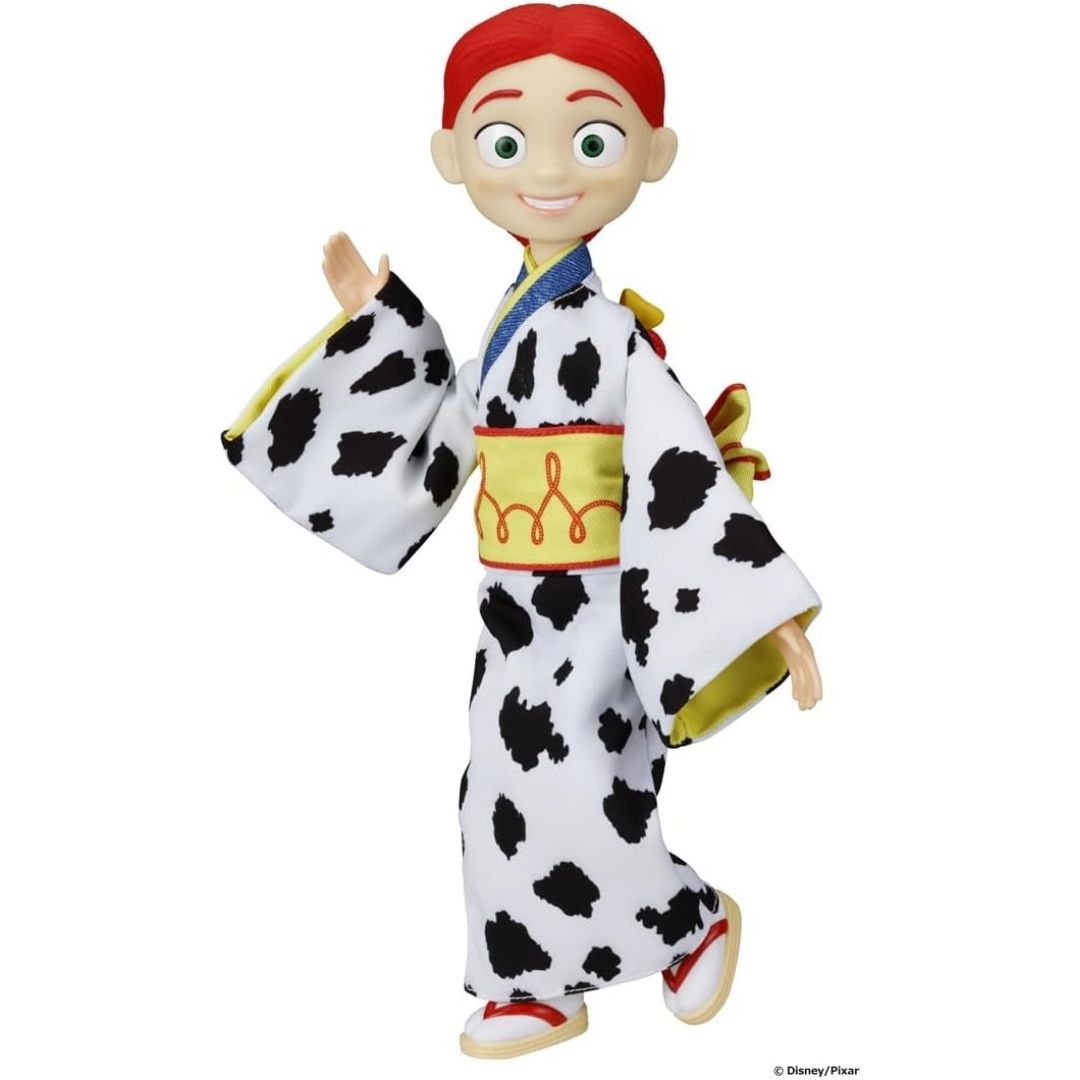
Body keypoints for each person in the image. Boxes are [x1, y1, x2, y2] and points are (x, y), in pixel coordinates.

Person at [220, 3, 822, 1059]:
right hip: (509, 617)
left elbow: (682, 471)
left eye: (591, 140)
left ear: (653, 153)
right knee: (493, 792)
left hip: (599, 611)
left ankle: (688, 924)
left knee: (594, 782)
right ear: (453, 155)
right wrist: (378, 322)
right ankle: (528, 978)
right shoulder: (507, 331)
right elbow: (438, 436)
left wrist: (761, 613)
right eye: (506, 140)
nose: (547, 169)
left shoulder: (612, 337)